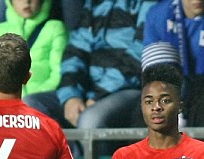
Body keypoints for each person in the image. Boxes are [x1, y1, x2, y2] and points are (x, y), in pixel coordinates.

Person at [23, 0, 155, 139]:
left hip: (127, 89)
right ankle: (70, 152)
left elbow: (139, 56)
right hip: (89, 91)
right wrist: (71, 96)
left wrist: (99, 95)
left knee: (90, 120)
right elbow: (75, 52)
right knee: (32, 105)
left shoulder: (147, 4)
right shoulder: (94, 4)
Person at [0, 0, 67, 102]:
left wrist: (32, 100)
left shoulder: (55, 28)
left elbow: (59, 74)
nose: (26, 1)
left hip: (39, 103)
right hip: (4, 105)